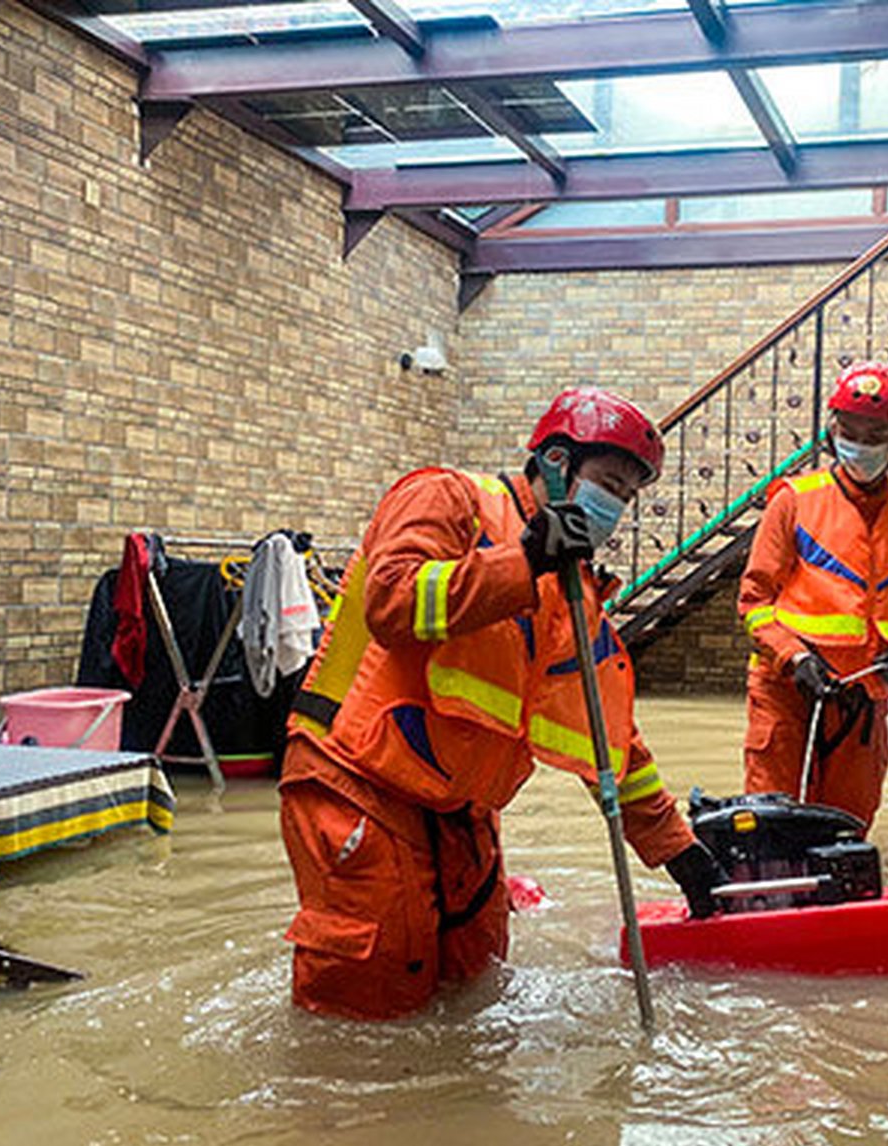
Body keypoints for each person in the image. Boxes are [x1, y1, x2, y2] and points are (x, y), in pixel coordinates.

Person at [279, 388, 728, 1020]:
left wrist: (678, 851)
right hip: (360, 782)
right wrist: (524, 562)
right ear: (553, 460)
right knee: (369, 998)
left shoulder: (575, 599)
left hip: (462, 813)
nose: (615, 508)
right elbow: (393, 601)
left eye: (627, 497)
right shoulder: (448, 498)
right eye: (607, 483)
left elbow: (609, 745)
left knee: (476, 983)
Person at [737, 360, 888, 827]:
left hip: (863, 701)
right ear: (831, 430)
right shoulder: (793, 502)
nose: (860, 445)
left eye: (875, 435)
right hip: (788, 691)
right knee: (773, 825)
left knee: (848, 828)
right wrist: (794, 659)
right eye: (850, 431)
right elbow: (755, 603)